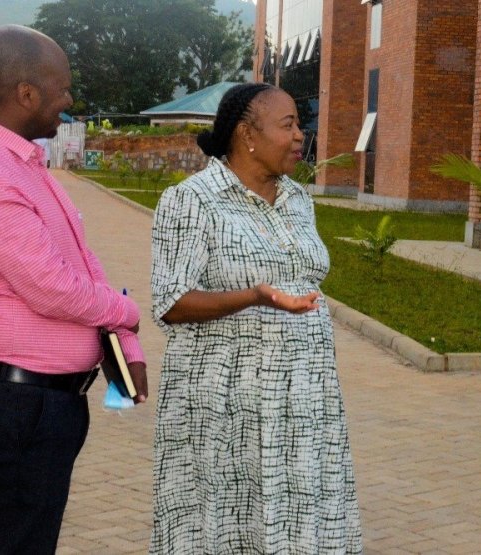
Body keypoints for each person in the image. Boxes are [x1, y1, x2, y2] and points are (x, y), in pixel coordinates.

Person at [0, 25, 148, 554]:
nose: (69, 100)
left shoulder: (23, 163)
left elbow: (83, 265)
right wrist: (127, 311)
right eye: (63, 88)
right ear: (26, 93)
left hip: (41, 403)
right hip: (15, 403)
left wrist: (125, 343)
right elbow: (50, 287)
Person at [149, 83, 362, 553]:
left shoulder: (298, 199)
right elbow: (170, 301)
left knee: (300, 512)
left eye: (299, 125)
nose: (300, 135)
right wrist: (254, 297)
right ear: (247, 134)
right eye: (288, 125)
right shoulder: (193, 200)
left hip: (306, 394)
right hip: (229, 398)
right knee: (231, 518)